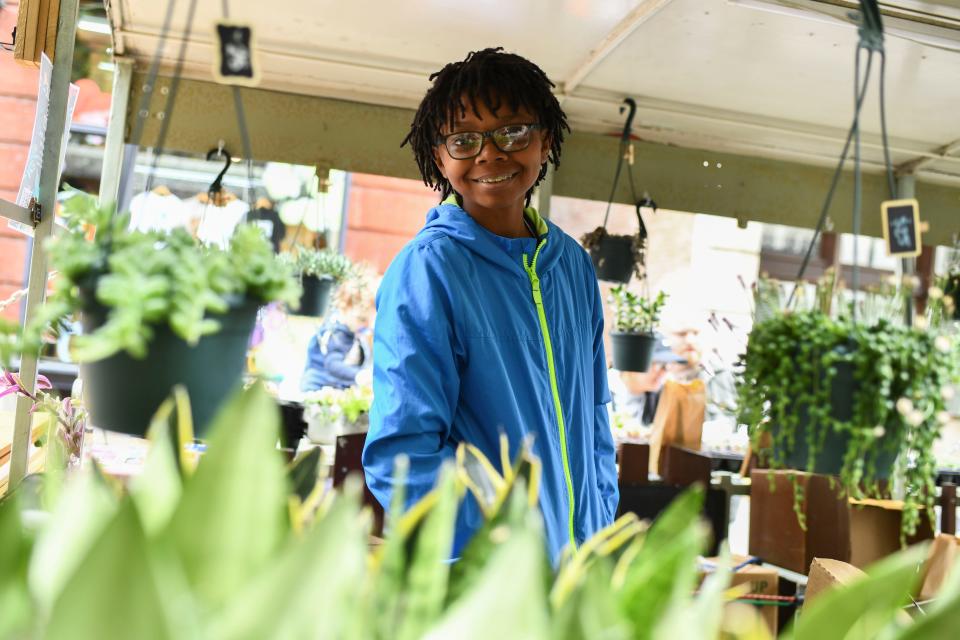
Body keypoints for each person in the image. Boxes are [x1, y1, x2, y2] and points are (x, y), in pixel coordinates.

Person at [362, 47, 619, 563]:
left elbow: (594, 421)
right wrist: (490, 562)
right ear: (440, 157)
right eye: (464, 139)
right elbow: (402, 455)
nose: (489, 153)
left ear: (544, 140)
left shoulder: (571, 266)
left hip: (573, 580)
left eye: (512, 131)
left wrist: (597, 529)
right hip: (488, 588)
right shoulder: (430, 269)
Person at [300, 272, 375, 392]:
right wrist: (358, 375)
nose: (365, 326)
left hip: (335, 389)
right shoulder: (335, 334)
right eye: (361, 319)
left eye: (368, 321)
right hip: (318, 388)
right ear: (343, 307)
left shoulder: (354, 332)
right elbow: (333, 365)